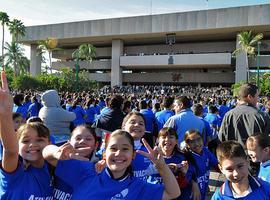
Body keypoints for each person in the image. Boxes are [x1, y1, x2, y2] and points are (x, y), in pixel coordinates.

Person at [43, 130, 181, 200]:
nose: (118, 153)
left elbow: (173, 193)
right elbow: (46, 153)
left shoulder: (138, 186)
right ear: (104, 153)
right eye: (113, 149)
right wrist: (57, 152)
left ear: (133, 155)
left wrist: (161, 166)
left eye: (125, 149)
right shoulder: (87, 171)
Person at [0, 70, 53, 199]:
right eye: (25, 141)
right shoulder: (14, 172)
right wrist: (4, 114)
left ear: (50, 143)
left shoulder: (55, 171)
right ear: (17, 145)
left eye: (40, 139)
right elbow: (10, 151)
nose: (32, 145)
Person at [147, 127, 200, 200]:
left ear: (176, 141)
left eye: (171, 137)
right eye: (164, 137)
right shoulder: (151, 156)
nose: (167, 140)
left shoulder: (181, 158)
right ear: (158, 140)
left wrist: (184, 174)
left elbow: (185, 182)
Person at [53, 125, 99, 200]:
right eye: (78, 138)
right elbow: (46, 151)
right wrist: (56, 153)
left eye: (88, 139)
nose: (82, 141)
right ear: (69, 142)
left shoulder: (98, 168)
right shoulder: (59, 161)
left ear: (96, 145)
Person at [184, 129, 218, 200]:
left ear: (203, 140)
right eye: (192, 141)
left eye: (199, 139)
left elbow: (216, 164)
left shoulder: (205, 151)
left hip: (203, 191)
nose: (196, 143)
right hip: (191, 195)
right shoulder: (186, 157)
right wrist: (193, 183)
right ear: (187, 144)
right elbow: (186, 176)